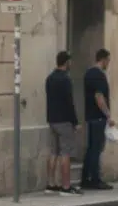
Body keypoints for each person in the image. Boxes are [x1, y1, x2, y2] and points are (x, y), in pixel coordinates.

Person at [44, 51, 80, 195]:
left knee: (53, 152)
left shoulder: (50, 78)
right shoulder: (65, 79)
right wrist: (75, 122)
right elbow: (69, 102)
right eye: (70, 62)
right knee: (65, 153)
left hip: (52, 119)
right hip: (64, 121)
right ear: (66, 62)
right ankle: (66, 186)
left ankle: (51, 184)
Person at [81, 49, 113, 191]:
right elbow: (99, 97)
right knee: (97, 149)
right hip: (98, 117)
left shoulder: (88, 73)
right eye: (108, 61)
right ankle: (95, 179)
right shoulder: (99, 75)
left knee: (91, 148)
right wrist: (108, 115)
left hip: (90, 116)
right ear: (104, 59)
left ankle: (85, 178)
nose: (108, 64)